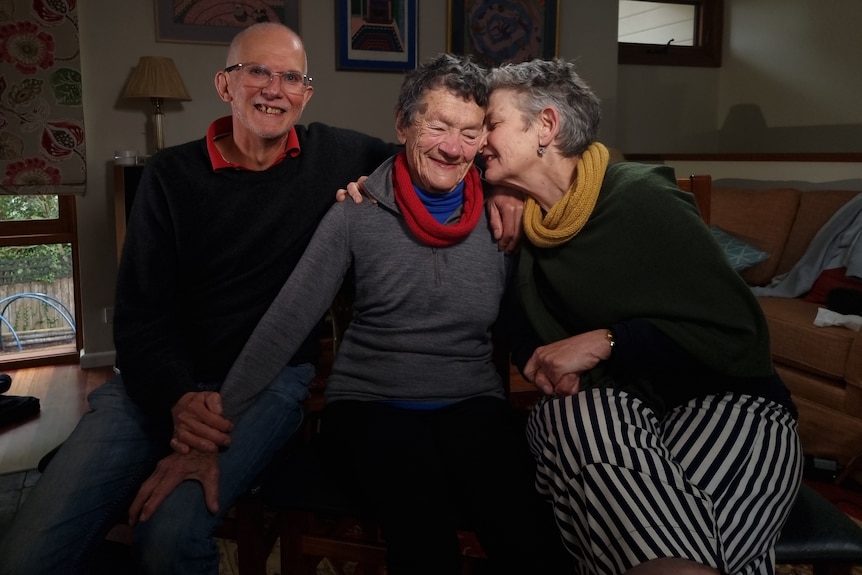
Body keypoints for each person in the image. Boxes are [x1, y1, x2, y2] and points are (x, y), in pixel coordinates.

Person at [0, 24, 520, 575]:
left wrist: (504, 188)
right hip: (158, 385)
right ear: (226, 84)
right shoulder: (169, 176)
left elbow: (437, 152)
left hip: (269, 381)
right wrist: (176, 398)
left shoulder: (338, 155)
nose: (275, 88)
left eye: (291, 77)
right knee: (29, 553)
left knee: (169, 536)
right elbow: (140, 317)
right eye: (258, 72)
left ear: (306, 92)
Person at [158, 52, 560, 575]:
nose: (452, 147)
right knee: (424, 536)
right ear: (403, 124)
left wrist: (557, 364)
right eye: (438, 126)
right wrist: (213, 427)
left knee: (529, 533)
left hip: (470, 401)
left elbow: (517, 318)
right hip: (372, 403)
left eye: (469, 131)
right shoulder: (356, 211)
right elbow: (286, 322)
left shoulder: (500, 213)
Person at [478, 58, 803, 575]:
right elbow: (524, 335)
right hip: (609, 415)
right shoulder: (520, 224)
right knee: (576, 417)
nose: (477, 138)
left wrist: (608, 341)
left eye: (490, 123)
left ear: (546, 125)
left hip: (725, 404)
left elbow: (736, 333)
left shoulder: (641, 199)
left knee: (626, 524)